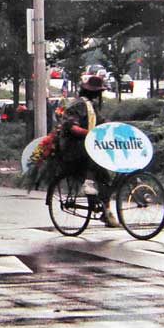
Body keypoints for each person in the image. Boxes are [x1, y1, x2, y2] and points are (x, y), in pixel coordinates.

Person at [58, 75, 118, 227]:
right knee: (93, 164)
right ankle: (88, 184)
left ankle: (106, 209)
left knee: (105, 177)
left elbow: (102, 122)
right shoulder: (76, 105)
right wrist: (88, 134)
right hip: (74, 147)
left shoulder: (93, 107)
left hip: (92, 146)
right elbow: (71, 126)